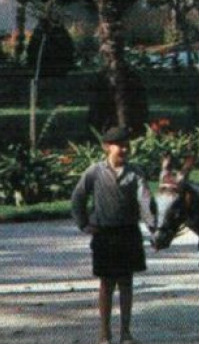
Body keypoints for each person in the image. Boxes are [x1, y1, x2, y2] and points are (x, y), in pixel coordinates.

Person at [72, 126, 156, 344]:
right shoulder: (95, 172)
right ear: (107, 147)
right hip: (104, 235)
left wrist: (152, 225)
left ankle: (125, 333)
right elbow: (78, 197)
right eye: (120, 145)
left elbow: (144, 200)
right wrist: (83, 223)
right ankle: (104, 333)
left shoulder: (135, 172)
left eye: (127, 145)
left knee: (126, 283)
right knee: (107, 284)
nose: (125, 149)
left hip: (128, 234)